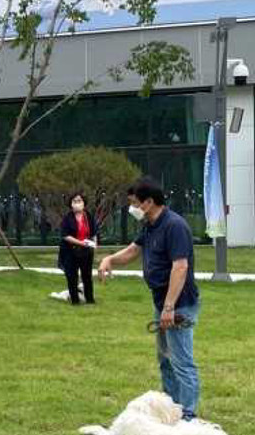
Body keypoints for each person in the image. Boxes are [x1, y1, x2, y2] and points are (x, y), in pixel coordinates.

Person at [98, 177, 202, 421]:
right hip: (162, 304)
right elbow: (134, 250)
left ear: (148, 202)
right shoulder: (149, 224)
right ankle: (171, 408)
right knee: (165, 360)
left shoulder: (174, 226)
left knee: (181, 362)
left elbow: (180, 267)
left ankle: (188, 416)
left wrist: (169, 308)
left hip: (179, 305)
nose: (132, 208)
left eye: (134, 203)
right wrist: (110, 259)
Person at [58, 191, 99, 306]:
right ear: (71, 204)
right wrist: (80, 243)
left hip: (86, 251)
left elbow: (94, 232)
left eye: (79, 201)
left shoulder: (88, 216)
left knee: (87, 276)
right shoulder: (67, 218)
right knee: (72, 277)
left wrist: (94, 244)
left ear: (84, 203)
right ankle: (75, 301)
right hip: (70, 251)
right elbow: (65, 236)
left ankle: (90, 300)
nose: (77, 203)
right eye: (75, 201)